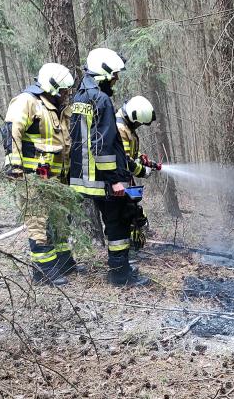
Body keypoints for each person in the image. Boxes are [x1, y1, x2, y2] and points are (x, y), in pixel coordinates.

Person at [68, 48, 151, 287]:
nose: (116, 78)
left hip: (85, 177)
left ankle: (120, 269)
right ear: (103, 73)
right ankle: (120, 275)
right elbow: (102, 144)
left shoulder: (80, 97)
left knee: (114, 221)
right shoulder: (101, 100)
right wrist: (115, 179)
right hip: (104, 179)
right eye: (114, 74)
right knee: (118, 222)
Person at [2, 63, 84, 286]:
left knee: (60, 219)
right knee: (38, 222)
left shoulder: (60, 107)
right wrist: (15, 167)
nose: (67, 94)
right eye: (64, 91)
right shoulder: (27, 102)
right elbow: (11, 131)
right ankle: (44, 271)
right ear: (52, 87)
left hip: (58, 177)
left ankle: (64, 262)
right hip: (33, 177)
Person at [116, 96, 160, 251]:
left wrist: (142, 159)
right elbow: (125, 161)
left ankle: (133, 248)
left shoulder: (127, 127)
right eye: (139, 123)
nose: (139, 125)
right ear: (133, 116)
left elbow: (130, 153)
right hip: (117, 181)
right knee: (128, 214)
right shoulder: (121, 129)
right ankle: (128, 251)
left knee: (133, 212)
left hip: (124, 180)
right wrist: (142, 171)